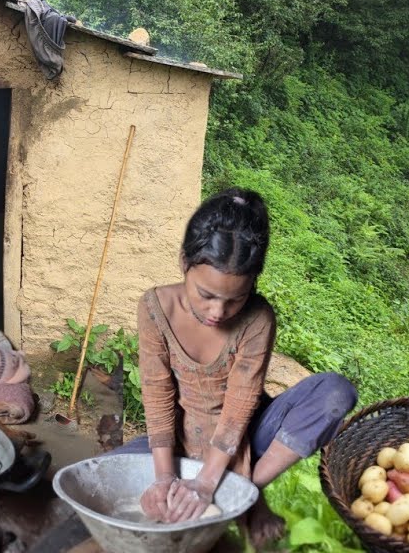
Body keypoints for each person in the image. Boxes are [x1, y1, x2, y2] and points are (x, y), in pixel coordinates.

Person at [118, 188, 358, 549]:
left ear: (253, 284)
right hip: (183, 441)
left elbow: (238, 410)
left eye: (235, 299)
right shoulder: (155, 307)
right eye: (206, 294)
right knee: (102, 477)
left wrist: (207, 485)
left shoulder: (257, 319)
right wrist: (165, 477)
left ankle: (243, 493)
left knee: (335, 392)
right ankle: (238, 497)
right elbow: (156, 394)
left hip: (250, 433)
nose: (218, 312)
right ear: (184, 262)